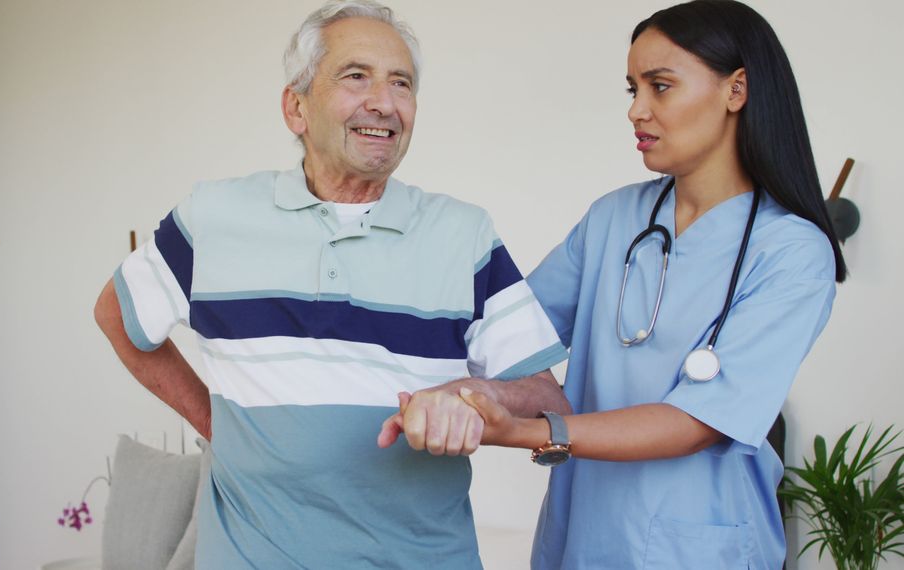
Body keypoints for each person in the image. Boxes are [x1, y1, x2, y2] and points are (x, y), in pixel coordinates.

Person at [93, 1, 569, 568]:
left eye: (402, 83)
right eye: (355, 76)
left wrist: (473, 395)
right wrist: (219, 426)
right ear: (296, 107)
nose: (384, 103)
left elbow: (547, 399)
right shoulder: (213, 217)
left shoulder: (464, 234)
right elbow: (116, 316)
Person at [457, 1, 846, 568]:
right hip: (582, 534)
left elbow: (698, 422)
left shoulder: (791, 252)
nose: (637, 110)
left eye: (660, 86)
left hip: (702, 547)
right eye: (632, 88)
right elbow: (509, 336)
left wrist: (521, 429)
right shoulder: (613, 219)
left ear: (736, 90)